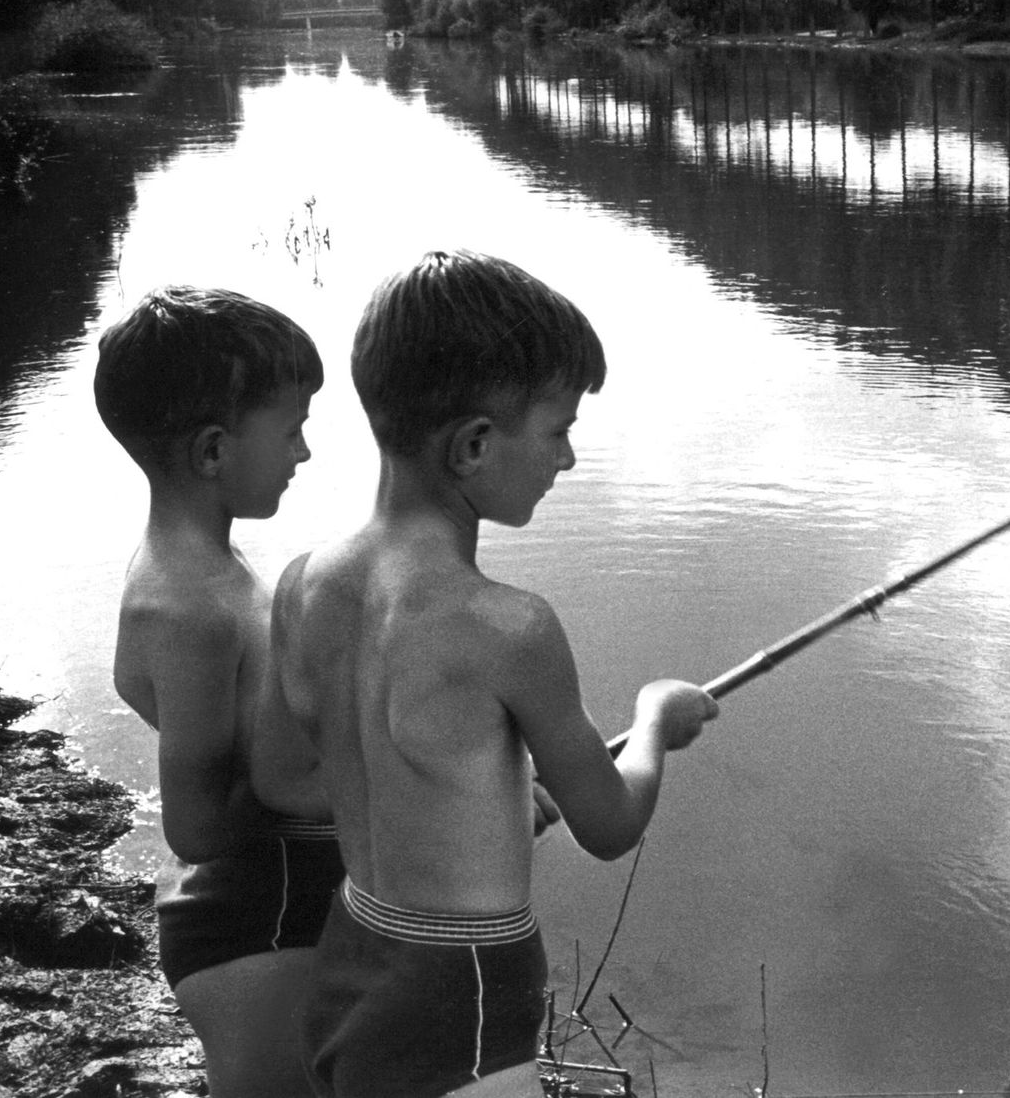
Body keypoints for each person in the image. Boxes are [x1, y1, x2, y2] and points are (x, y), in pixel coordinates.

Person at [259, 249, 718, 1098]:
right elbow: (610, 824)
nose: (567, 459)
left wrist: (479, 811)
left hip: (350, 955)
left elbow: (285, 780)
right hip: (461, 996)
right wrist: (657, 718)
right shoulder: (511, 628)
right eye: (558, 431)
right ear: (474, 445)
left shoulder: (301, 585)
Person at [94, 286, 343, 1098]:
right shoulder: (187, 608)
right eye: (291, 429)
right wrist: (364, 778)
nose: (304, 452)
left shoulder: (205, 565)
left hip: (277, 913)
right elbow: (198, 826)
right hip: (255, 936)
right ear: (212, 452)